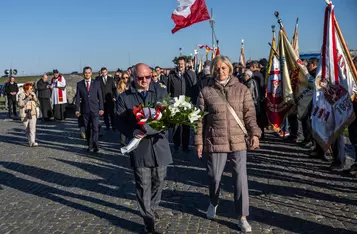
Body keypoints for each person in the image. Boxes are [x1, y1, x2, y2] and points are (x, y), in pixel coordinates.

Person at [195, 55, 261, 233]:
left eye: (224, 68)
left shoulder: (242, 89)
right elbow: (199, 120)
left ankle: (242, 216)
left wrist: (255, 133)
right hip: (215, 140)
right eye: (217, 68)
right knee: (214, 177)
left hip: (238, 141)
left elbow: (249, 115)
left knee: (240, 179)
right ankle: (213, 201)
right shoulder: (206, 91)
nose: (220, 71)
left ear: (230, 70)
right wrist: (199, 142)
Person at [116, 63, 172, 233]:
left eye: (148, 77)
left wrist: (153, 127)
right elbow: (119, 121)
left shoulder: (160, 92)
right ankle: (148, 219)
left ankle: (152, 206)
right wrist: (134, 130)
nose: (144, 81)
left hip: (159, 145)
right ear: (133, 77)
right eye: (140, 78)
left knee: (160, 179)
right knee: (143, 183)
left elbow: (168, 115)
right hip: (140, 147)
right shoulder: (124, 97)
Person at [167, 56, 197, 151]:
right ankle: (176, 145)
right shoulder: (172, 76)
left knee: (186, 126)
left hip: (187, 104)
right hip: (176, 104)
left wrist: (193, 103)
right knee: (176, 126)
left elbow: (194, 89)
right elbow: (169, 90)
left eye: (182, 64)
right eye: (179, 64)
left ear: (185, 64)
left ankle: (185, 146)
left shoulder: (190, 75)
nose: (180, 66)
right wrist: (169, 102)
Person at [75, 66, 104, 152]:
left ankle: (95, 144)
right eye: (85, 73)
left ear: (91, 73)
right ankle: (89, 144)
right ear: (83, 74)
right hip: (85, 110)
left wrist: (101, 108)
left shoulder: (97, 83)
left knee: (95, 128)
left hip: (95, 109)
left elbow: (100, 96)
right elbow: (77, 98)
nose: (87, 74)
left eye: (88, 73)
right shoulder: (79, 84)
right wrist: (77, 109)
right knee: (87, 128)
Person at [18, 83, 39, 147]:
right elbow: (20, 104)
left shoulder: (33, 94)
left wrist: (34, 98)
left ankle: (33, 142)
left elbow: (38, 102)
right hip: (24, 114)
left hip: (33, 113)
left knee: (32, 129)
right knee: (27, 129)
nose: (32, 89)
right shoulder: (21, 95)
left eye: (32, 88)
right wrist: (27, 99)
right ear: (27, 89)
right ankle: (30, 141)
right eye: (30, 88)